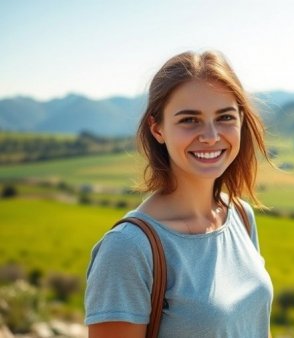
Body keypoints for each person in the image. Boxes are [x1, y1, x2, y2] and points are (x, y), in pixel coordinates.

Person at [84, 50, 273, 337]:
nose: (211, 135)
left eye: (225, 117)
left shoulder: (241, 217)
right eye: (189, 120)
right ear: (157, 128)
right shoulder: (127, 249)